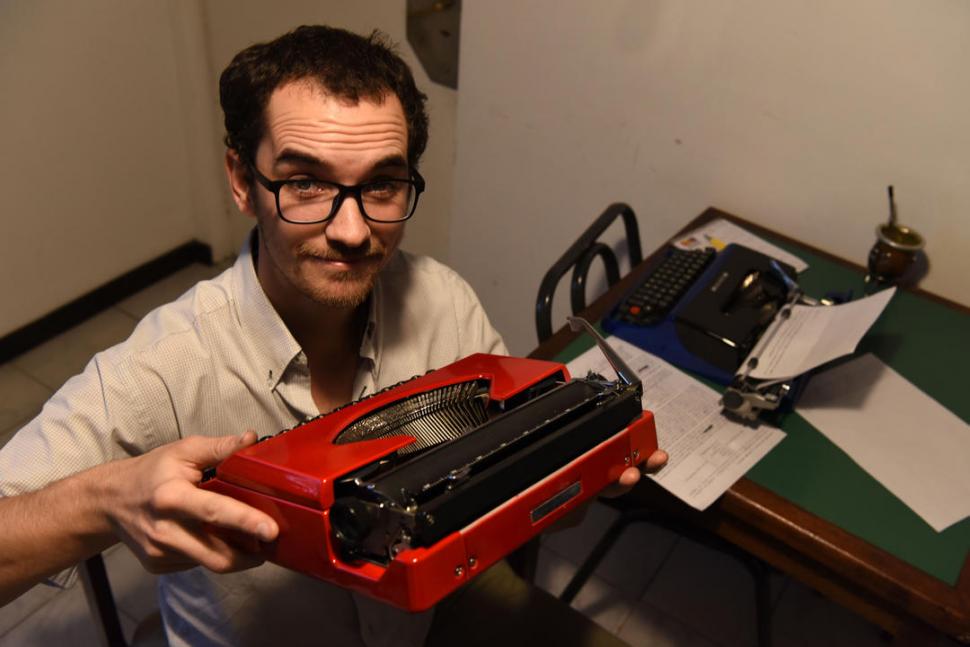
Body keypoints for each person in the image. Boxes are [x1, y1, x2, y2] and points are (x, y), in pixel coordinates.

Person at [0, 25, 666, 646]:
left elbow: (523, 489)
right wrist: (104, 501)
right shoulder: (161, 368)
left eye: (382, 184)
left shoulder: (444, 303)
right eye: (305, 183)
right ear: (242, 181)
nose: (351, 232)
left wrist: (586, 470)